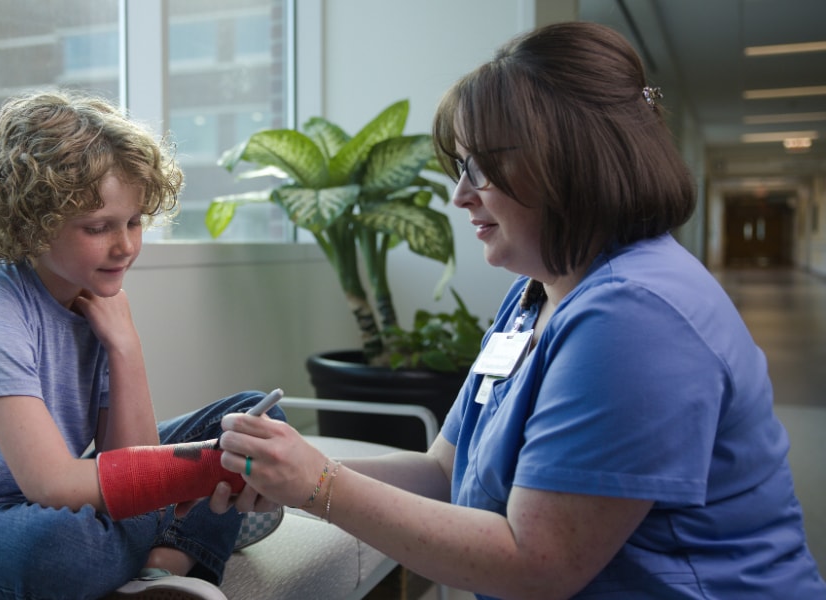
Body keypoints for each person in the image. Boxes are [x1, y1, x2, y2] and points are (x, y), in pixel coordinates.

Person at [210, 21, 826, 599]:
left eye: (480, 167)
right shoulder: (539, 291)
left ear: (567, 161)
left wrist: (319, 485)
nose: (459, 195)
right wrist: (289, 466)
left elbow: (536, 564)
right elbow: (445, 474)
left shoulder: (636, 318)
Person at [0, 89, 282, 600]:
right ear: (32, 223)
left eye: (134, 222)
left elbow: (128, 456)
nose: (125, 246)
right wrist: (199, 473)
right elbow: (51, 485)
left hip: (70, 496)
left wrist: (124, 345)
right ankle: (191, 532)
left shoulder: (92, 296)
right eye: (99, 228)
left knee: (254, 420)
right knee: (70, 550)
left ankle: (162, 567)